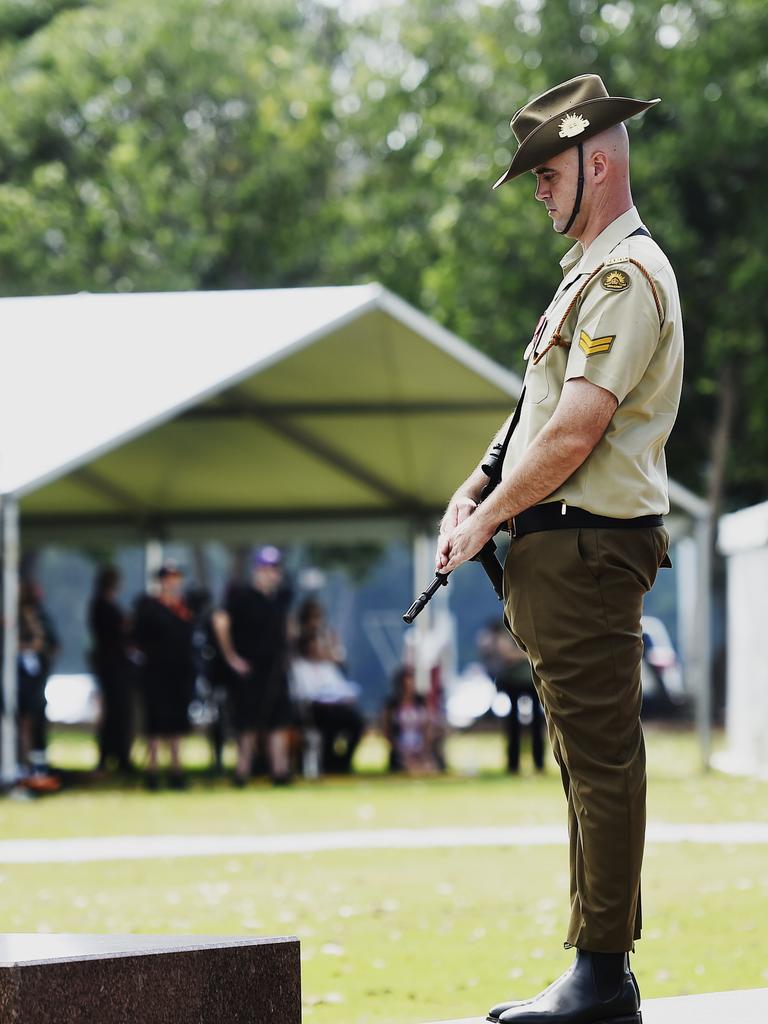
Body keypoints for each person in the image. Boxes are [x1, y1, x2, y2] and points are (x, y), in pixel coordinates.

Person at [436, 75, 682, 1024]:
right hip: (563, 550)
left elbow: (577, 431)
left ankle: (601, 974)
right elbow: (534, 417)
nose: (538, 190)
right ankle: (594, 970)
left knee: (599, 760)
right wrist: (477, 488)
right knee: (584, 760)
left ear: (599, 159)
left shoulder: (623, 277)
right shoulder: (589, 274)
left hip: (586, 549)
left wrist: (489, 514)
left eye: (546, 173)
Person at [213, 545, 294, 786]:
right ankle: (243, 772)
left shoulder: (281, 597)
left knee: (278, 721)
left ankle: (280, 771)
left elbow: (287, 627)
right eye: (266, 569)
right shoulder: (241, 595)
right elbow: (220, 621)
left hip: (275, 669)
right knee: (246, 724)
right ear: (257, 570)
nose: (270, 574)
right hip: (249, 669)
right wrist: (231, 657)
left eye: (274, 569)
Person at [132, 562, 195, 790]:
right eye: (169, 578)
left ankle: (177, 769)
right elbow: (136, 638)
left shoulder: (185, 608)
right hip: (155, 672)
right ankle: (153, 770)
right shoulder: (149, 607)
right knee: (155, 723)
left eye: (176, 578)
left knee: (177, 723)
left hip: (180, 673)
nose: (173, 582)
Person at [289, 632, 364, 775]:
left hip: (336, 708)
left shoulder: (327, 667)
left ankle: (343, 762)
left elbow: (340, 687)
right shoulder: (299, 667)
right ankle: (328, 764)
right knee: (327, 724)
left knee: (356, 721)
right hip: (313, 711)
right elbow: (300, 693)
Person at [479, 620, 545, 774]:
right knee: (515, 724)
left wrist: (520, 654)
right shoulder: (508, 624)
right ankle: (516, 764)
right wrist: (527, 653)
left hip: (529, 679)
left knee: (535, 723)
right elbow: (509, 653)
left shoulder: (512, 625)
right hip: (517, 680)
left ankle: (535, 763)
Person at [88, 565, 135, 774]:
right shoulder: (102, 606)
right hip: (112, 666)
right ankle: (113, 755)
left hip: (113, 665)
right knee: (116, 712)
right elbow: (118, 631)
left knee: (117, 713)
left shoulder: (102, 605)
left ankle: (116, 755)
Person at [382, 665, 436, 775]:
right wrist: (400, 751)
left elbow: (428, 727)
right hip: (401, 750)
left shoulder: (421, 703)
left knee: (429, 767)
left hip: (420, 748)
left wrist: (423, 748)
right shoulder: (392, 705)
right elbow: (387, 731)